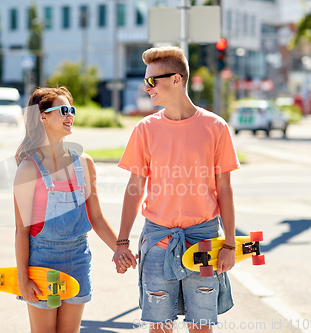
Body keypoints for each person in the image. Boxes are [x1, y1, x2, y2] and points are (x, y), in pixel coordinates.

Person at [113, 46, 240, 333]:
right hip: (158, 239)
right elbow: (135, 188)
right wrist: (122, 241)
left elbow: (225, 190)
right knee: (159, 327)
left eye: (151, 81)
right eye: (146, 81)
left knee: (201, 327)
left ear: (176, 79)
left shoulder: (215, 127)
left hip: (204, 240)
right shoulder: (145, 130)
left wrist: (230, 244)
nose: (147, 88)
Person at [13, 86, 130, 333]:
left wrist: (120, 248)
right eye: (64, 110)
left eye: (72, 110)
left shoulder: (84, 163)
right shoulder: (28, 169)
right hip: (41, 261)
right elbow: (21, 231)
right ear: (42, 116)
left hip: (78, 259)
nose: (71, 116)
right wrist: (23, 279)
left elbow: (96, 217)